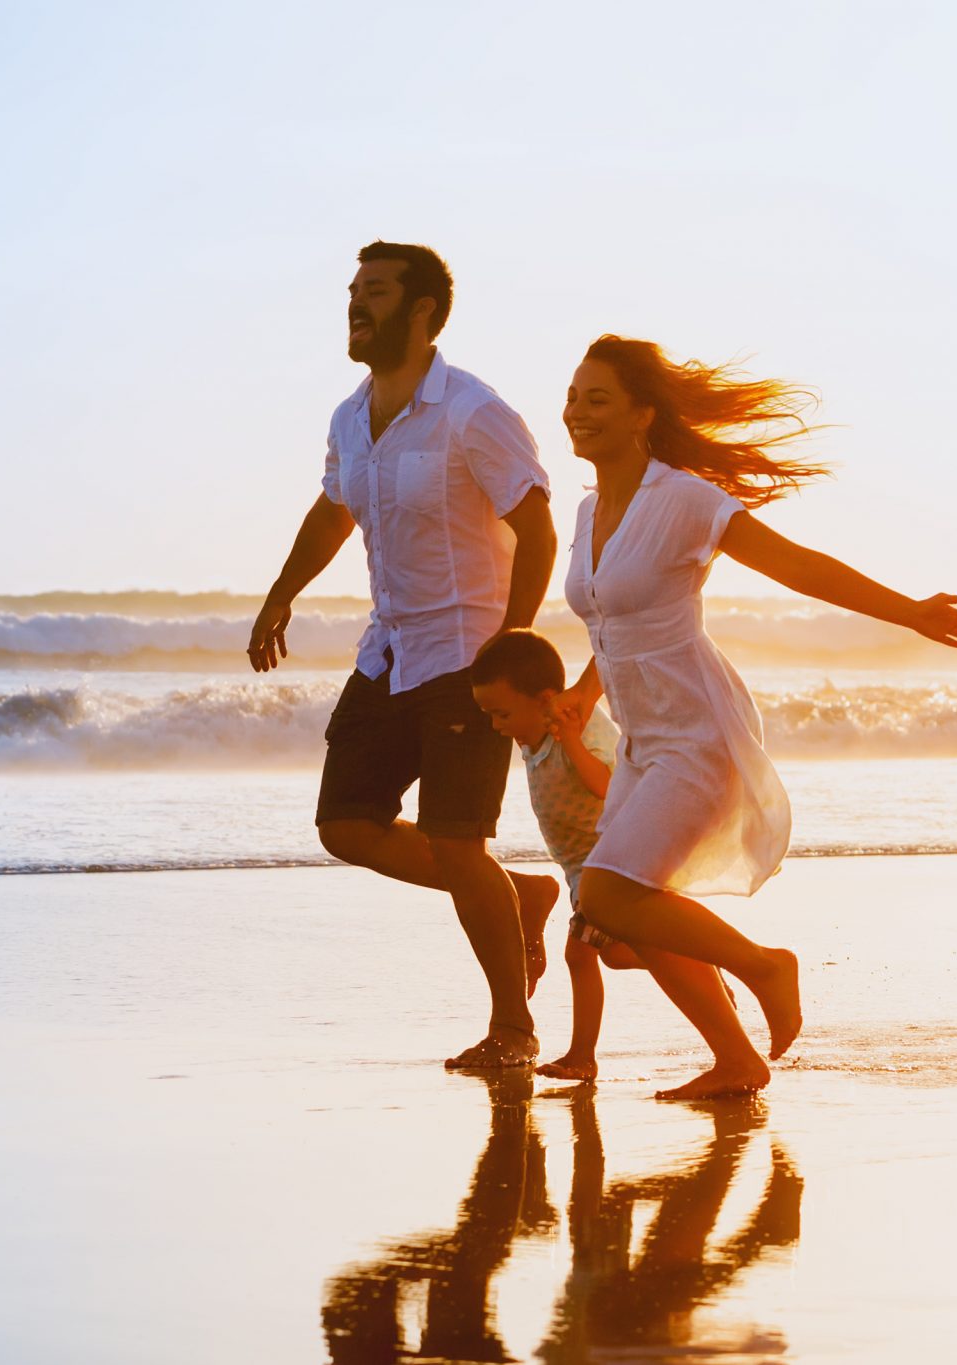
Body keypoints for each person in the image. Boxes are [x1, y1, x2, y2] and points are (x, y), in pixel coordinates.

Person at [558, 334, 957, 1099]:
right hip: (642, 741)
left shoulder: (682, 499)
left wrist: (908, 611)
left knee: (607, 896)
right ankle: (736, 1059)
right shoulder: (591, 507)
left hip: (698, 735)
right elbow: (608, 617)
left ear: (641, 413)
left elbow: (796, 564)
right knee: (625, 923)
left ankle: (765, 966)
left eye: (597, 398)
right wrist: (587, 689)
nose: (576, 412)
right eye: (573, 396)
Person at [248, 241, 561, 1070]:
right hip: (390, 651)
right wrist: (281, 593)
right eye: (353, 291)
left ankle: (513, 1030)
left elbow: (535, 525)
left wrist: (515, 639)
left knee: (459, 844)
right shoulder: (351, 416)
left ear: (422, 310)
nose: (357, 306)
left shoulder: (472, 410)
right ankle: (518, 894)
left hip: (468, 654)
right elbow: (333, 509)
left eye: (376, 292)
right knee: (345, 823)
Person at [468, 628, 642, 1082]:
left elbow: (607, 784)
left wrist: (571, 742)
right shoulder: (531, 732)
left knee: (581, 955)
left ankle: (583, 1057)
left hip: (615, 861)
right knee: (618, 955)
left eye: (502, 713)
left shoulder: (578, 724)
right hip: (582, 872)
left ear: (546, 700)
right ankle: (696, 956)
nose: (495, 725)